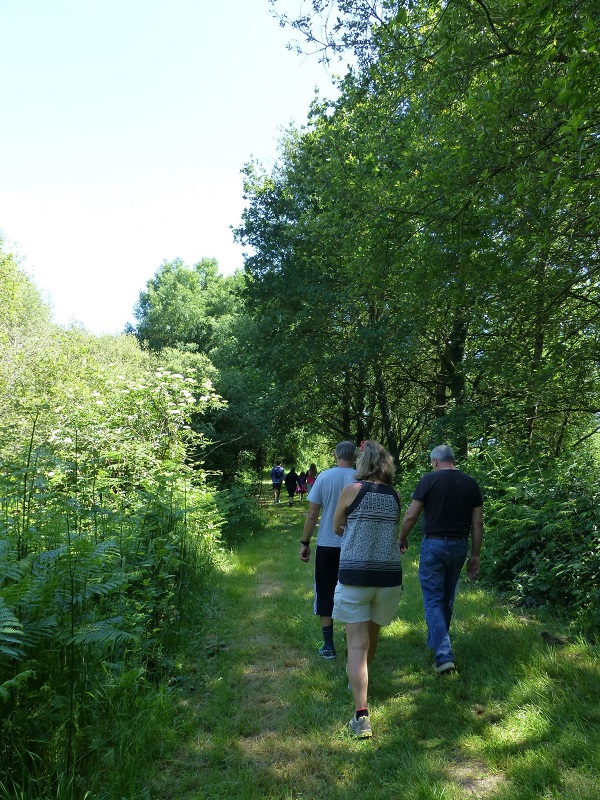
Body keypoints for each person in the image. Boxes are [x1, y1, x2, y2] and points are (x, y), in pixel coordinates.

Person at [332, 440, 402, 739]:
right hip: (387, 579)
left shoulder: (352, 491)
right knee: (371, 639)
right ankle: (358, 679)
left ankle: (361, 716)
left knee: (356, 647)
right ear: (385, 464)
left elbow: (337, 527)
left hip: (355, 576)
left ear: (362, 463)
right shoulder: (395, 495)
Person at [400, 444, 483, 675]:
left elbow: (411, 514)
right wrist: (475, 555)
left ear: (435, 461)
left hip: (434, 545)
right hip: (459, 546)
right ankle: (435, 644)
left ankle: (444, 655)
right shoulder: (471, 483)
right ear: (452, 460)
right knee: (446, 598)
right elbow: (477, 523)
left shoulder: (429, 480)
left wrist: (402, 537)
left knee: (433, 601)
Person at [300, 442, 356, 660]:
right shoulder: (360, 478)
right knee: (353, 593)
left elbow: (312, 514)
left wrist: (305, 542)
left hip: (326, 544)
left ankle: (328, 646)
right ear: (354, 456)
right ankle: (353, 644)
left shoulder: (324, 477)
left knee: (325, 591)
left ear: (335, 455)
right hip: (352, 544)